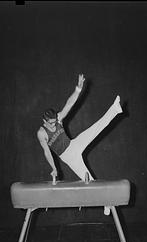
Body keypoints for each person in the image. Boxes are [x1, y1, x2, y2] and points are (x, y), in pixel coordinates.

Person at [37, 74, 123, 215]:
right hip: (69, 158)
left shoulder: (58, 118)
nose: (53, 126)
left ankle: (115, 109)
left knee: (95, 128)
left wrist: (78, 89)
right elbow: (47, 152)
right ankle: (106, 203)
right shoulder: (41, 133)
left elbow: (69, 104)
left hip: (74, 145)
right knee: (88, 179)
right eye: (51, 124)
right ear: (44, 121)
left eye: (54, 122)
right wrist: (53, 168)